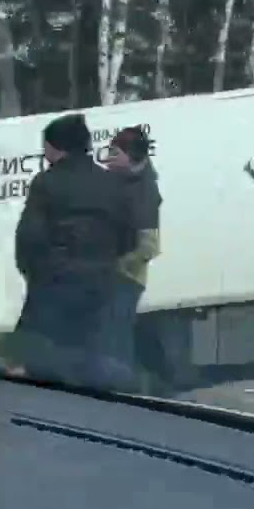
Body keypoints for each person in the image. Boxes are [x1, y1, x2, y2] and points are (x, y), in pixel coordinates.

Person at [12, 113, 135, 390]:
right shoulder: (113, 183)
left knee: (46, 363)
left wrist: (37, 274)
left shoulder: (47, 183)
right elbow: (130, 238)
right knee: (97, 361)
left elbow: (30, 239)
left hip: (55, 286)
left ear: (56, 148)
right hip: (102, 286)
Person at [100, 126, 162, 387]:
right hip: (109, 273)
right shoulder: (119, 180)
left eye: (115, 153)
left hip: (125, 277)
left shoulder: (145, 193)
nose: (108, 158)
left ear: (131, 156)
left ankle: (121, 392)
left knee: (116, 337)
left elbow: (149, 246)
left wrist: (117, 266)